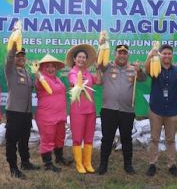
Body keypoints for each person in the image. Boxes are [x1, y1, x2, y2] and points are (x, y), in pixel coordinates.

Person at [96, 44, 146, 175]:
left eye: (125, 53)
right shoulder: (107, 67)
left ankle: (128, 165)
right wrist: (101, 45)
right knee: (107, 138)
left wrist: (139, 71)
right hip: (109, 110)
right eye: (120, 53)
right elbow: (98, 61)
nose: (122, 55)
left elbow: (143, 78)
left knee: (126, 139)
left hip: (127, 111)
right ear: (115, 54)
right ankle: (103, 165)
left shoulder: (133, 69)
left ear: (128, 55)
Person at [145, 43, 177, 177]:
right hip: (156, 110)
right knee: (154, 139)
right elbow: (147, 70)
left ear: (172, 55)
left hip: (171, 111)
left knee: (170, 140)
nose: (167, 56)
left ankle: (172, 165)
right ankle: (152, 164)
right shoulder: (155, 67)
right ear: (160, 55)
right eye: (164, 53)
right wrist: (150, 56)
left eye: (169, 53)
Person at [4, 44, 39, 179]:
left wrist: (37, 75)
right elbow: (9, 58)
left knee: (25, 138)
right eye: (17, 56)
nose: (20, 58)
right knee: (12, 140)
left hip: (26, 112)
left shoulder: (27, 73)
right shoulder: (10, 70)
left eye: (22, 56)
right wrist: (13, 46)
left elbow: (33, 88)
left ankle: (25, 162)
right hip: (14, 111)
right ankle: (13, 168)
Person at [66, 44, 99, 174]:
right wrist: (79, 82)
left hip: (91, 110)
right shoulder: (72, 73)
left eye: (84, 57)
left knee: (89, 137)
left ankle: (87, 162)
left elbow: (99, 81)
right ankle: (79, 163)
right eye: (79, 57)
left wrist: (97, 70)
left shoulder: (88, 73)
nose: (82, 59)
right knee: (77, 138)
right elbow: (75, 83)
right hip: (78, 111)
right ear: (74, 59)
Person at [34, 54, 67, 172]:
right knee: (47, 139)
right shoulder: (41, 79)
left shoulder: (57, 79)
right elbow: (39, 82)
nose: (51, 68)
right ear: (42, 68)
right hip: (47, 116)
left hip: (60, 115)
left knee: (60, 137)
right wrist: (38, 76)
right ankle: (48, 164)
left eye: (53, 66)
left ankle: (59, 157)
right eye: (47, 66)